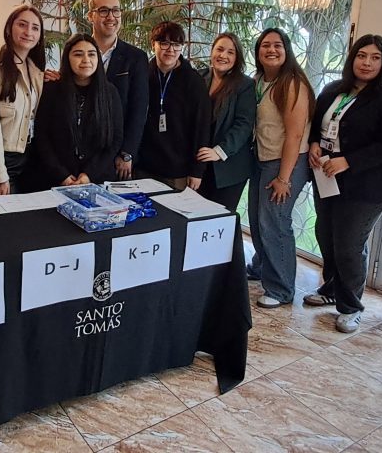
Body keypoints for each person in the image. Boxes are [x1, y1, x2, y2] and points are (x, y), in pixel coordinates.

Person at [305, 35, 382, 333]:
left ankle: (351, 307)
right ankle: (332, 288)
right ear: (352, 58)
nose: (367, 63)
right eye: (362, 56)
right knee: (326, 236)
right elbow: (316, 126)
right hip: (327, 177)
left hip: (366, 185)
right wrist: (314, 143)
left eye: (375, 58)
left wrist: (348, 161)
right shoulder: (333, 90)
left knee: (349, 245)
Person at [246, 27, 315, 308]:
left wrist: (284, 178)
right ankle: (262, 266)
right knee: (256, 219)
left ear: (287, 50)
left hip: (285, 162)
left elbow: (295, 135)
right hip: (261, 159)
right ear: (258, 51)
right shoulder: (259, 80)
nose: (271, 50)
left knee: (274, 222)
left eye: (277, 45)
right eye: (265, 45)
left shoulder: (292, 83)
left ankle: (281, 288)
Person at [30, 34, 123, 188]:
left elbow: (115, 139)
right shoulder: (52, 89)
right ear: (67, 58)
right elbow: (42, 136)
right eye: (78, 54)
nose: (86, 60)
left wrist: (89, 174)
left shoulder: (110, 92)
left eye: (92, 54)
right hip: (55, 180)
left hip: (97, 179)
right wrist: (62, 175)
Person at [0, 5, 45, 194]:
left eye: (35, 28)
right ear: (8, 29)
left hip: (32, 159)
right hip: (5, 161)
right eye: (22, 25)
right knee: (7, 211)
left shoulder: (37, 74)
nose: (28, 32)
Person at [135, 21, 211, 190]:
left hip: (178, 170)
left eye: (177, 45)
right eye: (164, 43)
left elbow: (201, 126)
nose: (171, 50)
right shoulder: (143, 74)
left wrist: (197, 170)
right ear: (153, 44)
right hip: (143, 167)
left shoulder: (193, 81)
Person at [87, 0, 149, 179]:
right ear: (90, 16)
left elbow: (139, 109)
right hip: (84, 150)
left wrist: (127, 153)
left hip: (117, 156)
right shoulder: (80, 51)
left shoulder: (136, 57)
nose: (111, 17)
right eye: (104, 10)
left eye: (116, 10)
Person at [196, 32, 255, 212]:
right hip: (200, 163)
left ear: (237, 58)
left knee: (219, 219)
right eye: (220, 49)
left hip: (229, 167)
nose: (223, 55)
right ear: (212, 51)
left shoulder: (245, 85)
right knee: (196, 217)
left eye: (230, 52)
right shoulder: (199, 77)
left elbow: (244, 124)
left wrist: (219, 151)